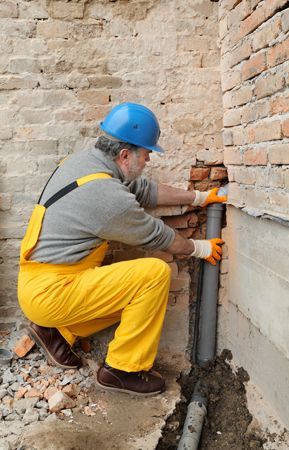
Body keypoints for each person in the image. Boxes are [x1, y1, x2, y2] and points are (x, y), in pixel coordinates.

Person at [18, 102, 226, 396]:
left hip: (43, 283)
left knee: (129, 296)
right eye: (146, 153)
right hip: (51, 292)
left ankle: (55, 332)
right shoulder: (106, 197)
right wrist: (199, 248)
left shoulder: (86, 163)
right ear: (125, 155)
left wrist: (199, 196)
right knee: (152, 275)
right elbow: (157, 236)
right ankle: (121, 370)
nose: (150, 159)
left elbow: (144, 190)